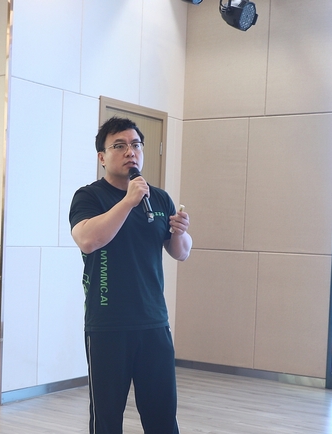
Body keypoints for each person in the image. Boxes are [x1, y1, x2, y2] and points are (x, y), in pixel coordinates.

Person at [69, 116, 192, 434]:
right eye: (119, 146)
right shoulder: (89, 197)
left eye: (136, 144)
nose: (130, 152)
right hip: (108, 324)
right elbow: (88, 240)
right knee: (107, 419)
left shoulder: (159, 198)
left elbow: (180, 252)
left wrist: (180, 232)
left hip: (154, 322)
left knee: (162, 416)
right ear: (102, 157)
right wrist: (128, 202)